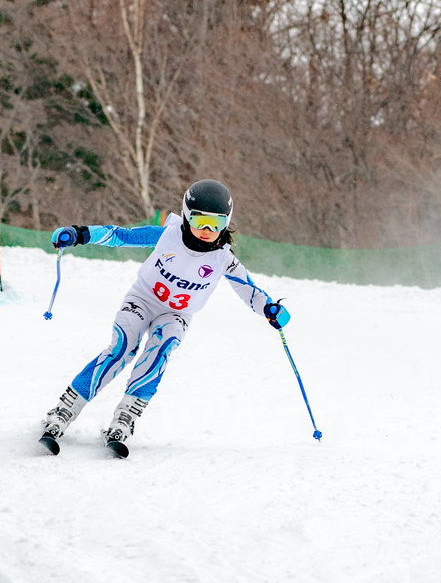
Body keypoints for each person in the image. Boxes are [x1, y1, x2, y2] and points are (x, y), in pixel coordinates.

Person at [39, 179, 290, 458]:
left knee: (160, 350)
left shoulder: (223, 259)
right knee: (123, 347)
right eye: (199, 221)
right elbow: (120, 235)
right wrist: (80, 234)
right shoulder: (167, 235)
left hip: (176, 314)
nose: (207, 230)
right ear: (185, 216)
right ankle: (64, 409)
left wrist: (270, 309)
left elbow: (249, 290)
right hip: (142, 300)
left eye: (216, 224)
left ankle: (126, 416)